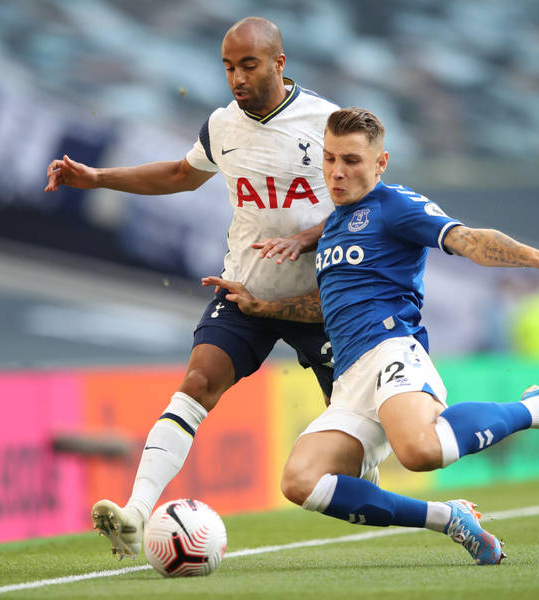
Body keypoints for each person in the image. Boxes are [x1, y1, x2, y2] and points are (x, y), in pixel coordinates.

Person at [204, 107, 539, 565]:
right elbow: (328, 305)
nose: (336, 173)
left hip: (391, 349)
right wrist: (264, 308)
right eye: (328, 159)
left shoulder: (395, 206)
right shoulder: (333, 226)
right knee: (300, 482)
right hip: (349, 381)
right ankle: (448, 517)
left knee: (421, 452)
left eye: (351, 160)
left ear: (380, 164)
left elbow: (467, 240)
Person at [45, 17, 370, 561]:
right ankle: (136, 513)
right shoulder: (221, 125)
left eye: (248, 65)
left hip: (319, 302)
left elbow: (365, 207)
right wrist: (97, 178)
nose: (237, 78)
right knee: (199, 380)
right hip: (245, 291)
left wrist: (308, 238)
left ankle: (411, 503)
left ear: (279, 63)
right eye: (228, 67)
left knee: (357, 447)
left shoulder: (327, 122)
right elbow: (179, 174)